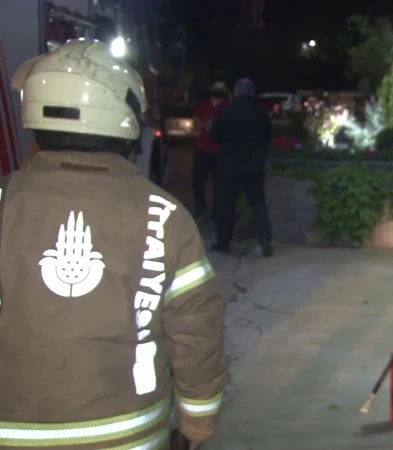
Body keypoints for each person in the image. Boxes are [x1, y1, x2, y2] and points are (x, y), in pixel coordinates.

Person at [3, 40, 227, 449]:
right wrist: (198, 421)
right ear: (126, 123)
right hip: (130, 437)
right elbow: (196, 331)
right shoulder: (165, 216)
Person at [210, 77, 274, 257]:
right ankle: (264, 238)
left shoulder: (227, 111)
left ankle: (223, 242)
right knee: (258, 203)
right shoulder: (261, 112)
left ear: (236, 93)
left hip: (229, 165)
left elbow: (214, 136)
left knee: (226, 205)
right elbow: (268, 136)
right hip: (254, 165)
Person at [191, 81, 230, 221]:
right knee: (197, 182)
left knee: (219, 184)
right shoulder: (202, 105)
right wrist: (205, 124)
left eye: (221, 88)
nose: (218, 90)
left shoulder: (227, 107)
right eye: (215, 88)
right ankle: (201, 209)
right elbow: (195, 127)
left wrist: (206, 125)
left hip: (220, 151)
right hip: (202, 150)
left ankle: (217, 212)